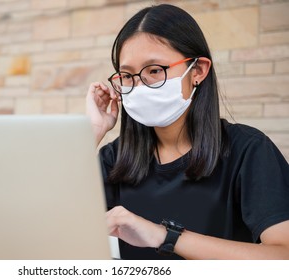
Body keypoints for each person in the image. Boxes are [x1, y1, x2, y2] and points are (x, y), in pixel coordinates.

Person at [86, 4, 289, 260]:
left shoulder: (248, 150)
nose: (139, 85)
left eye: (154, 71)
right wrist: (93, 132)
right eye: (127, 76)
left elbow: (283, 256)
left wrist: (164, 236)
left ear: (198, 71)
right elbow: (52, 227)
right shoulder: (115, 159)